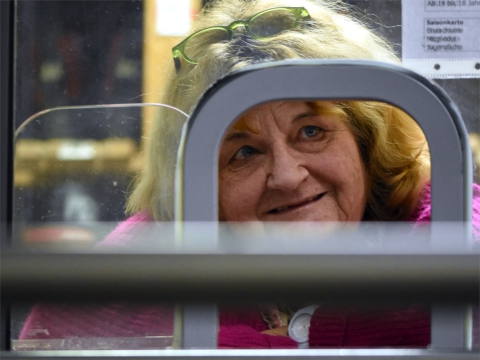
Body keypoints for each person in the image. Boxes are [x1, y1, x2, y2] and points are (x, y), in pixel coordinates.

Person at [19, 0, 480, 349]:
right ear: (200, 182)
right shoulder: (138, 270)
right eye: (242, 152)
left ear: (367, 142)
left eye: (312, 131)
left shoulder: (449, 226)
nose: (285, 175)